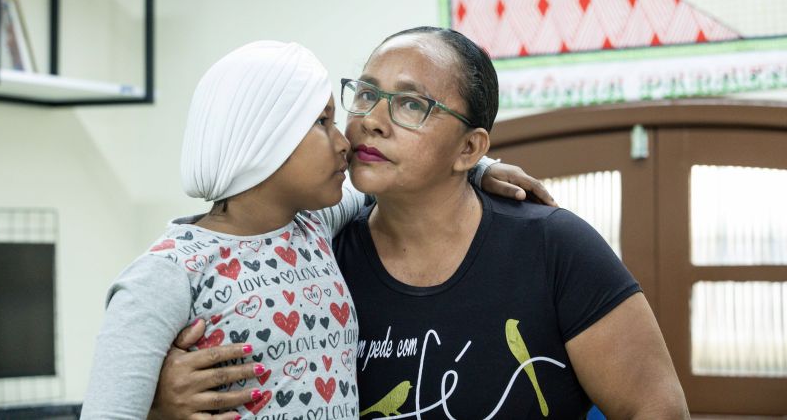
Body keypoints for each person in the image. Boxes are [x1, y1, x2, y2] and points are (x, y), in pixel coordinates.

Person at [151, 28, 685, 419]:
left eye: (410, 104)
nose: (372, 121)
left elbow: (656, 410)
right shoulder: (311, 252)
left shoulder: (554, 246)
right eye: (365, 93)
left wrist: (481, 169)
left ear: (469, 147)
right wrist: (160, 403)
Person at [80, 39, 549, 420]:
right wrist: (160, 409)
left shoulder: (314, 227)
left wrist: (475, 166)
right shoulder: (169, 272)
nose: (346, 140)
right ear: (266, 142)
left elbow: (404, 176)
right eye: (323, 122)